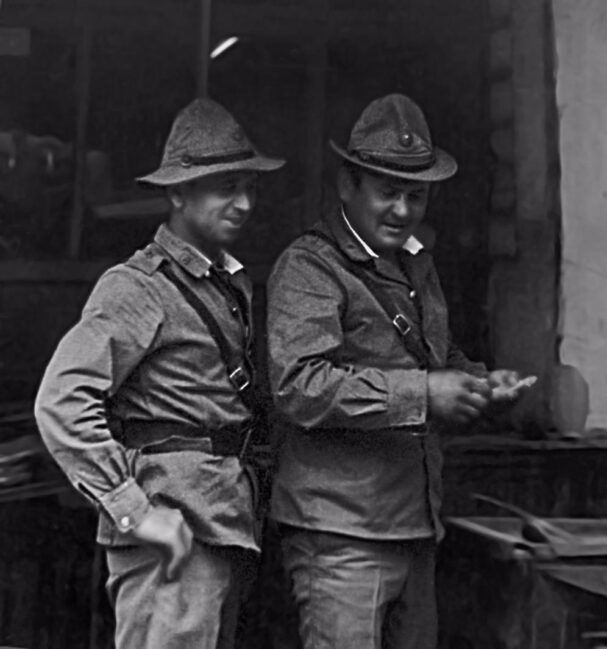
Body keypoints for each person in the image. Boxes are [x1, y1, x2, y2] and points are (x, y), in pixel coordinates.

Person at [266, 92, 527, 649]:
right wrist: (426, 395)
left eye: (416, 195)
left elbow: (435, 360)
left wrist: (479, 382)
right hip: (340, 535)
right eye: (387, 192)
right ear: (347, 186)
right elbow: (298, 386)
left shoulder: (415, 264)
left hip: (414, 525)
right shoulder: (309, 268)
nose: (403, 210)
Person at [34, 98, 284, 649]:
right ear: (177, 193)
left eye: (249, 186)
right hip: (173, 534)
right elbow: (61, 403)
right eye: (225, 187)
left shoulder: (227, 284)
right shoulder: (138, 287)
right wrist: (135, 514)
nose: (243, 203)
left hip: (221, 525)